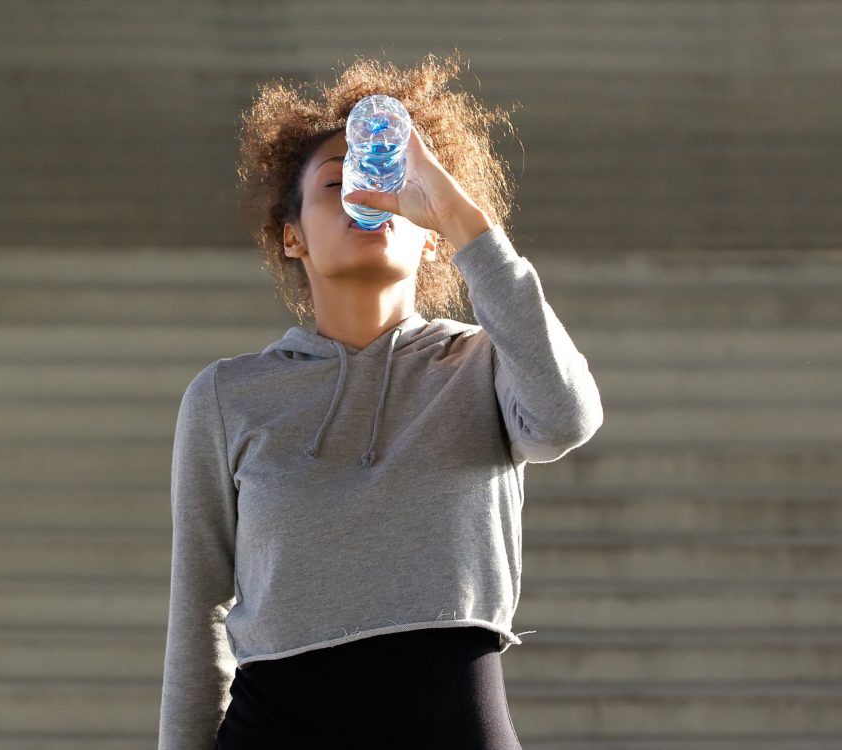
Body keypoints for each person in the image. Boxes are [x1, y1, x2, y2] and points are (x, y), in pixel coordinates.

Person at [157, 52, 604, 750]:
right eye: (335, 185)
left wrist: (461, 217)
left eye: (391, 182)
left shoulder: (486, 364)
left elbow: (566, 419)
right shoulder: (228, 396)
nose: (366, 200)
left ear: (432, 239)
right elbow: (197, 613)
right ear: (291, 236)